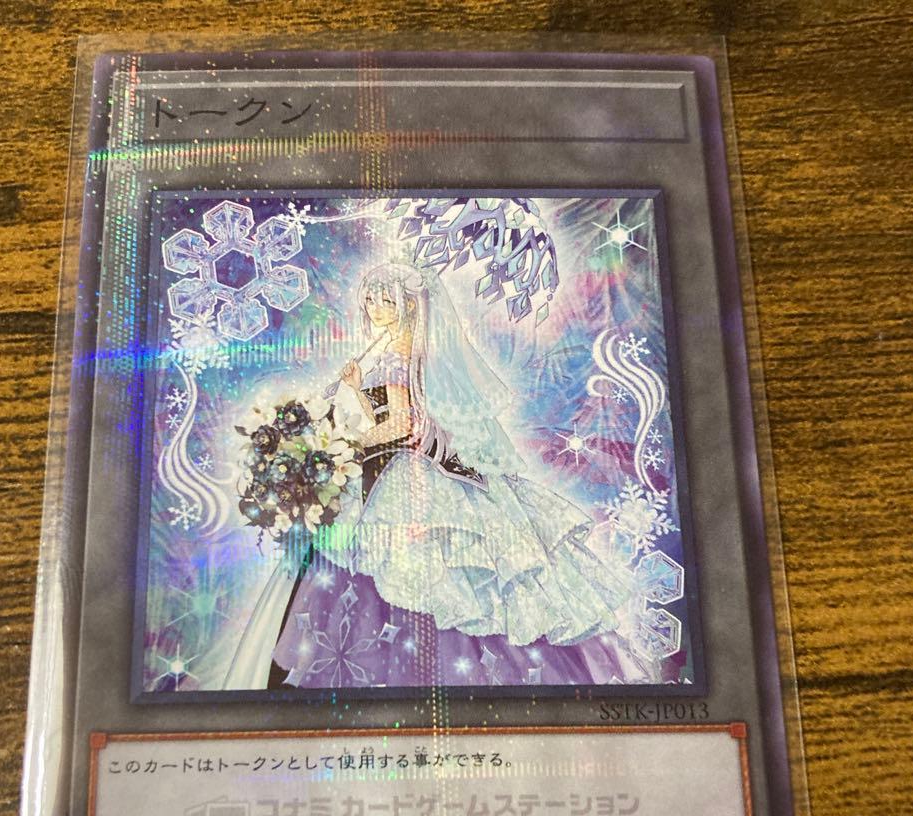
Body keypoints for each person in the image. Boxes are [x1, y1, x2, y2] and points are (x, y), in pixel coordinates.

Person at [232, 261, 642, 690]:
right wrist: (355, 390)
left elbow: (402, 424)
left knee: (400, 566)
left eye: (386, 301)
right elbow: (394, 415)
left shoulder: (397, 355)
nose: (374, 307)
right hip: (409, 467)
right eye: (370, 299)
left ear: (409, 306)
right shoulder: (407, 350)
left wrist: (346, 445)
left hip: (404, 474)